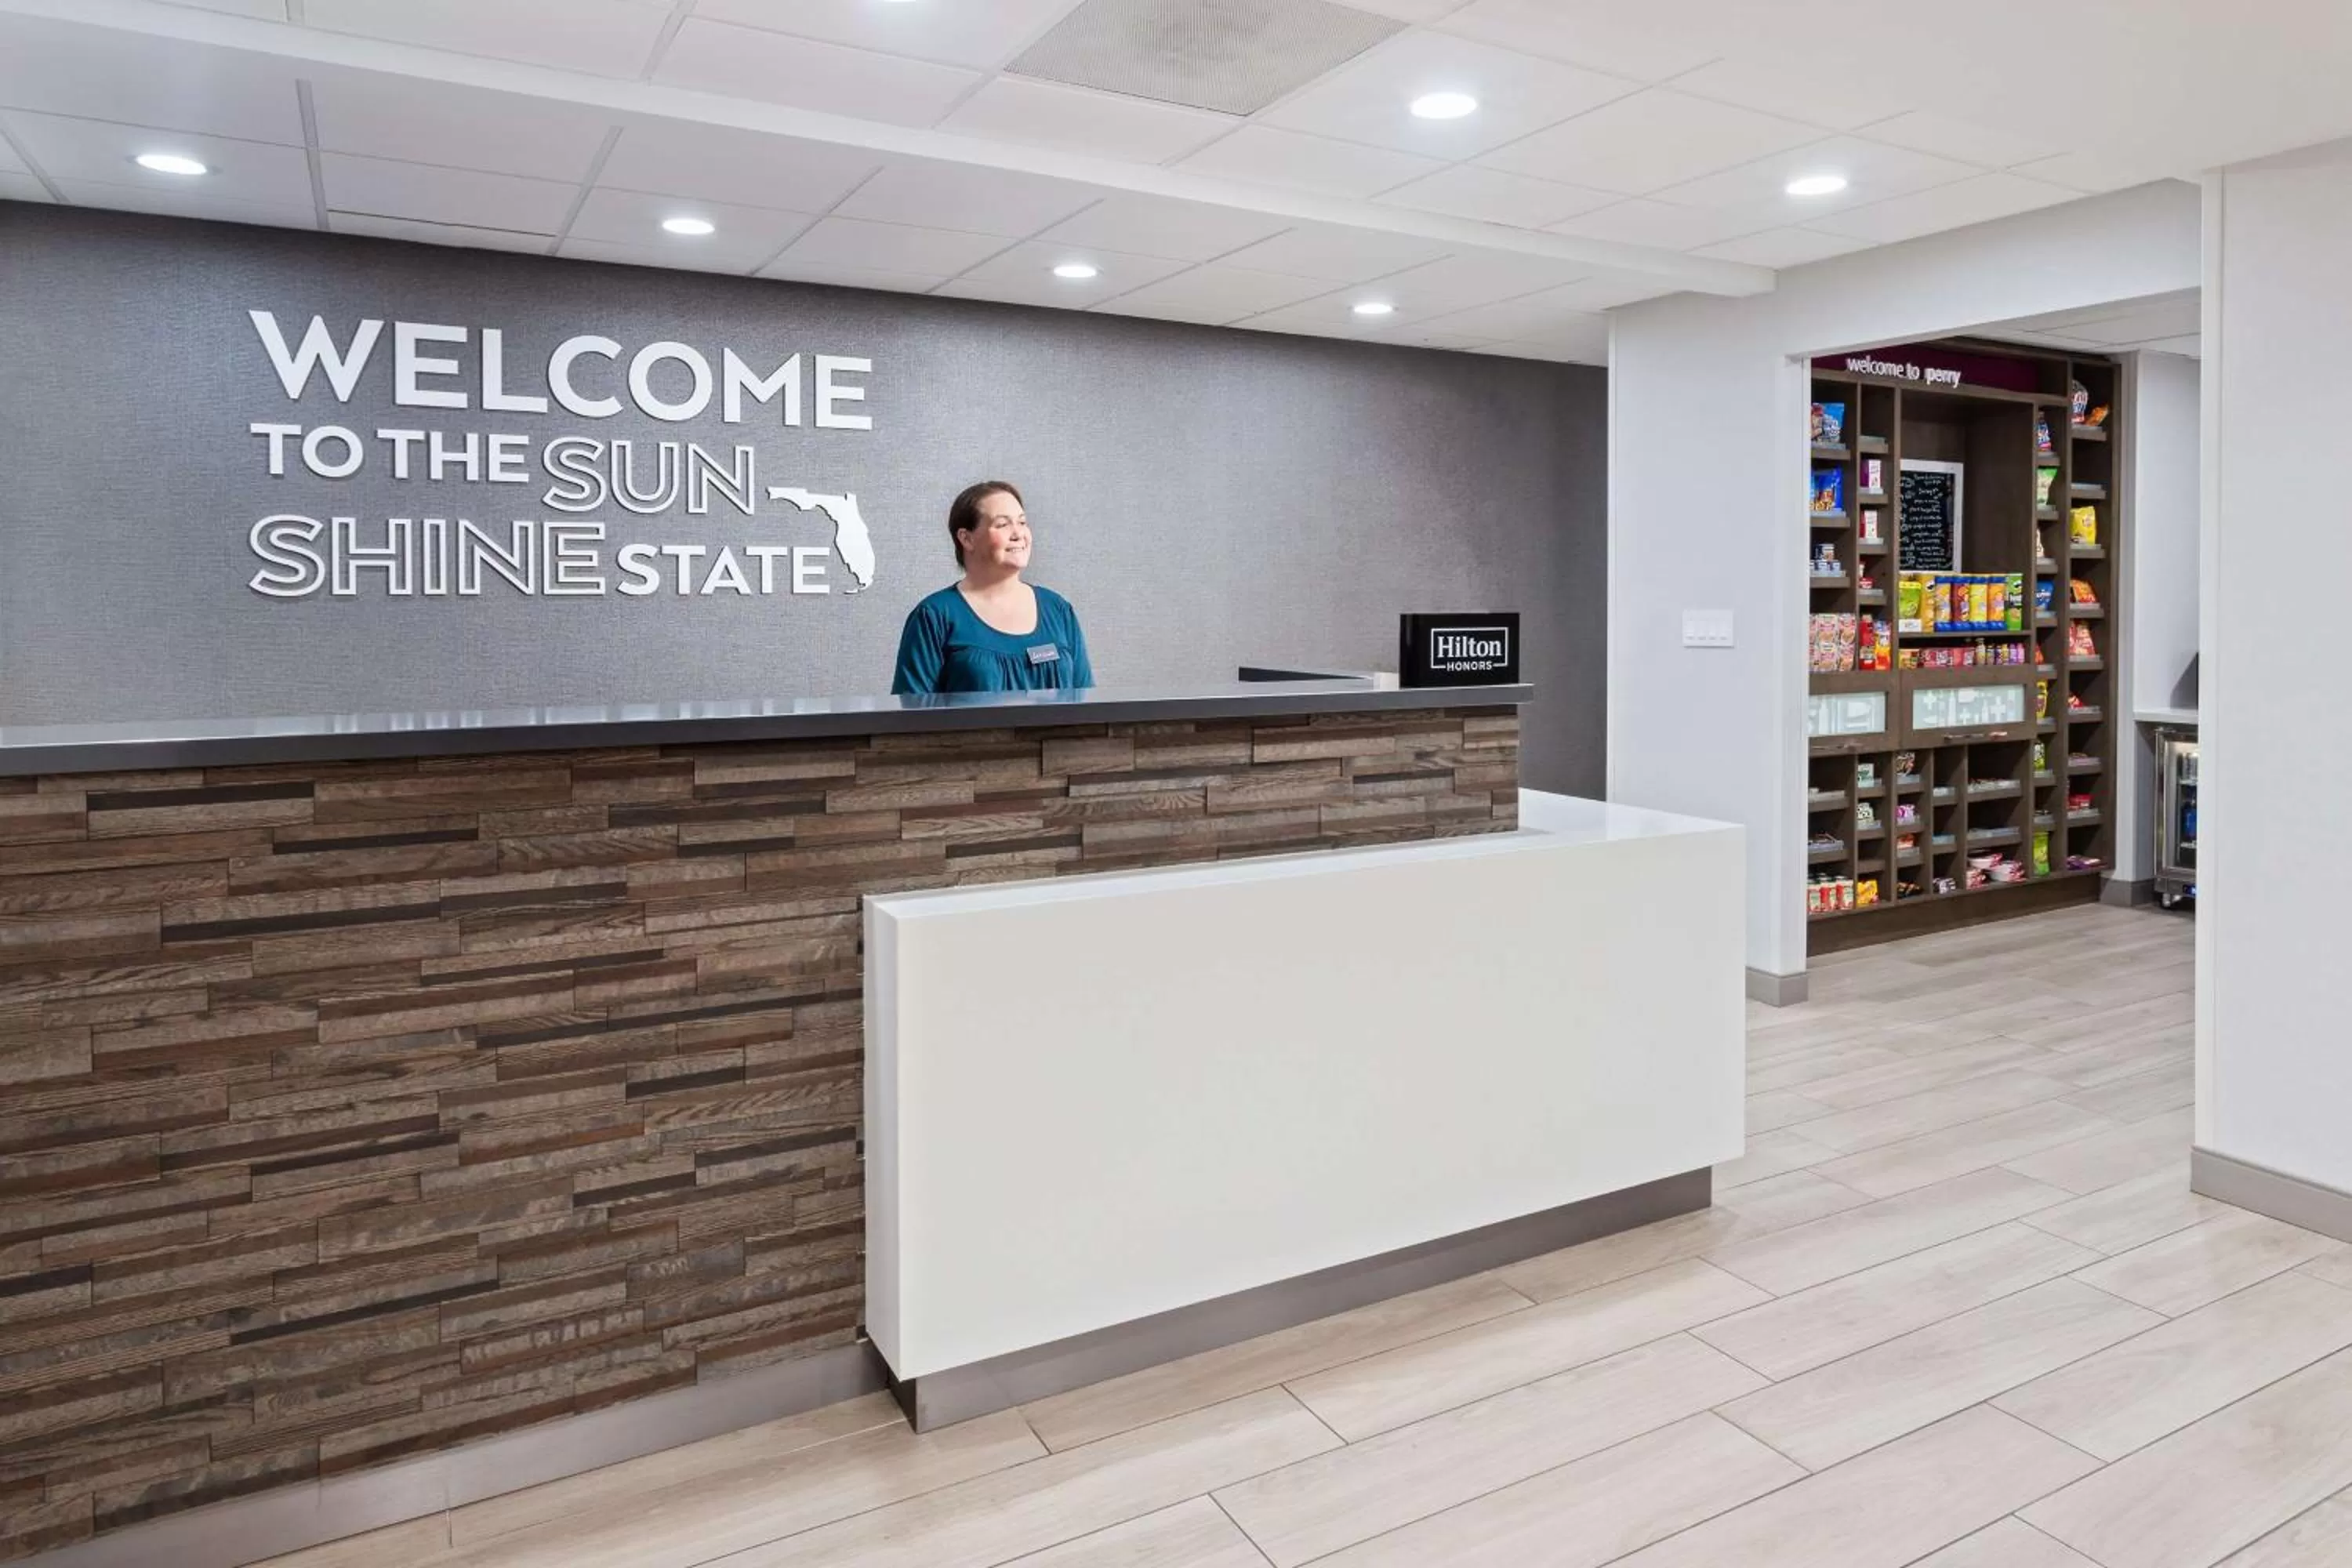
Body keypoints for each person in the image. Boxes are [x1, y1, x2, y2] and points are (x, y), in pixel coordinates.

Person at [891, 481, 1094, 695]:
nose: (1018, 534)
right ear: (966, 538)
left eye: (1023, 522)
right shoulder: (934, 616)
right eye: (1002, 525)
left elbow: (1088, 708)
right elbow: (911, 720)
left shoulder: (1058, 610)